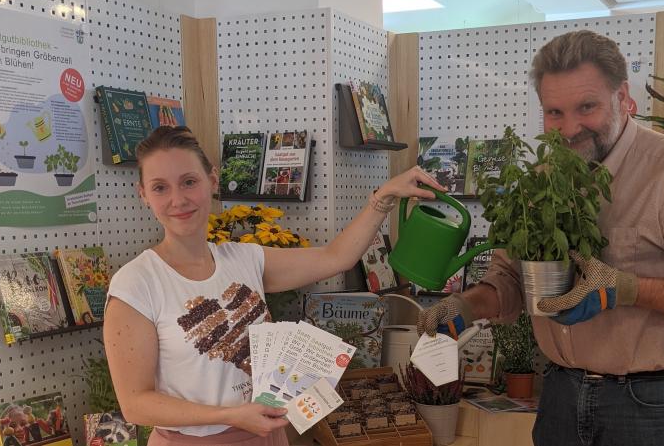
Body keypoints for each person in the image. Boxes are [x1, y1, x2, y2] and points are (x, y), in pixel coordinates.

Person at [417, 30, 664, 446]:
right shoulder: (540, 183)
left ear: (622, 96)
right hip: (561, 394)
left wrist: (626, 289)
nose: (569, 129)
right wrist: (464, 305)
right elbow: (511, 281)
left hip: (654, 402)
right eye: (554, 112)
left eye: (587, 107)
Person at [104, 125, 444, 446]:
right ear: (144, 195)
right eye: (160, 187)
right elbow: (136, 404)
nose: (177, 200)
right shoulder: (137, 283)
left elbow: (335, 257)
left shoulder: (244, 259)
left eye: (189, 181)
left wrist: (383, 198)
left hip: (264, 436)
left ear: (211, 180)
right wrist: (230, 416)